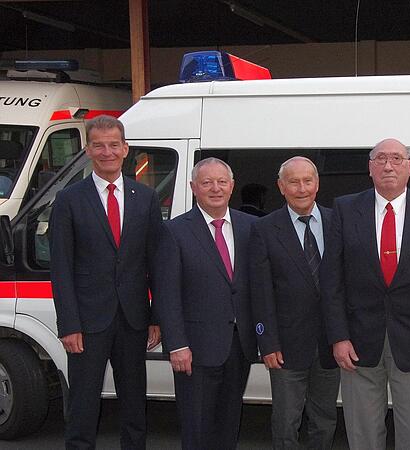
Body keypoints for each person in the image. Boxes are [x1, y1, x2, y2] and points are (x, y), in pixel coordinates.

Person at [320, 138, 410, 450]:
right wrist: (338, 336)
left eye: (396, 158)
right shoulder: (345, 209)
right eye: (380, 158)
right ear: (369, 168)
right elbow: (332, 280)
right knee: (363, 432)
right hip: (357, 342)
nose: (388, 165)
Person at [49, 115, 162, 449]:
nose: (107, 152)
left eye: (114, 144)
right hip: (86, 322)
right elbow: (61, 268)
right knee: (83, 407)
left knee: (134, 406)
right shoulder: (68, 199)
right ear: (87, 150)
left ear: (126, 149)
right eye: (98, 145)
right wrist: (69, 324)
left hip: (133, 319)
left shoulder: (146, 197)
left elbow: (155, 261)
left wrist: (156, 317)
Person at [154, 157, 258, 449]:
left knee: (229, 425)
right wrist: (176, 344)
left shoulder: (251, 226)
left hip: (239, 345)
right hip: (194, 349)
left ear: (232, 186)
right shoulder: (174, 231)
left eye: (222, 182)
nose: (216, 188)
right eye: (207, 182)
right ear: (193, 188)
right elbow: (167, 292)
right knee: (197, 428)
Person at [250, 156, 340, 449]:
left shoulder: (336, 221)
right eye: (293, 181)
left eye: (307, 180)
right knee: (287, 421)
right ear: (281, 187)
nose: (301, 188)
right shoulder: (264, 229)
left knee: (325, 419)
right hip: (286, 346)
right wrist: (268, 342)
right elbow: (260, 292)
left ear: (317, 184)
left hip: (331, 343)